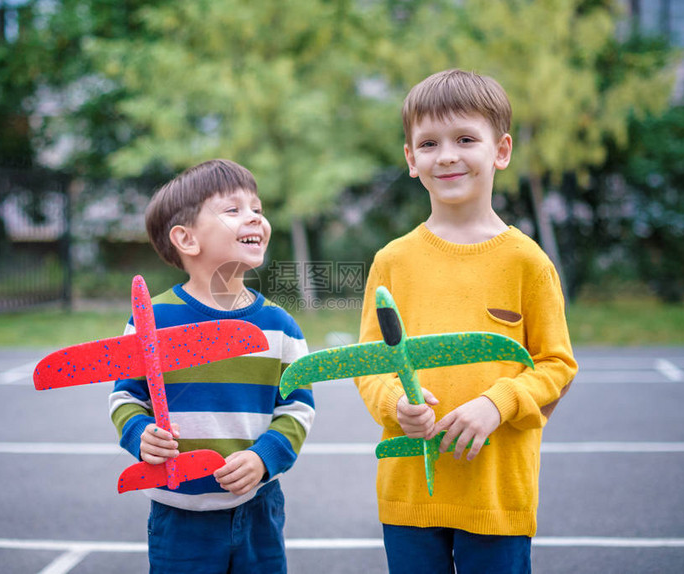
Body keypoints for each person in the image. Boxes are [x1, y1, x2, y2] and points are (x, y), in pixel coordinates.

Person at [355, 69, 578, 573]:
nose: (447, 155)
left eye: (465, 139)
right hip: (411, 490)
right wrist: (395, 404)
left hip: (497, 495)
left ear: (500, 150)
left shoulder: (528, 262)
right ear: (411, 160)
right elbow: (370, 363)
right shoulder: (392, 261)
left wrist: (496, 405)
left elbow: (556, 365)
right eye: (429, 143)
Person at [109, 159, 314, 573]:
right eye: (233, 210)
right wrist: (139, 435)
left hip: (258, 507)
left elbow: (298, 408)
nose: (254, 217)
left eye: (257, 208)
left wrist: (263, 458)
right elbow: (125, 396)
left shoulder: (281, 326)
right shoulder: (152, 320)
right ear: (186, 239)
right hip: (178, 514)